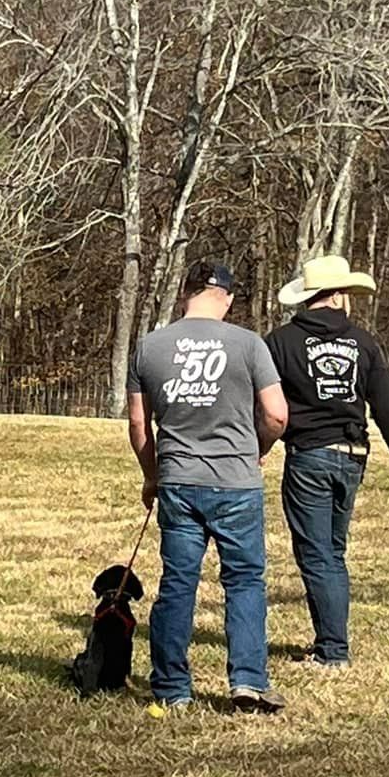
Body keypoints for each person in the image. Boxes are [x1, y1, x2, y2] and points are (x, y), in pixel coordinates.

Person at [126, 257, 289, 714]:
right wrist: (257, 448)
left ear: (186, 293)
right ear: (229, 297)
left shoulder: (150, 347)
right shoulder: (249, 344)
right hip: (236, 482)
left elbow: (140, 424)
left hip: (178, 480)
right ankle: (248, 681)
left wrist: (152, 475)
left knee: (179, 583)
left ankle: (173, 688)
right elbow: (277, 414)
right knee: (244, 581)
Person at [266, 254, 389, 673]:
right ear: (337, 296)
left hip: (309, 457)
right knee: (333, 552)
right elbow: (388, 406)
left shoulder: (280, 342)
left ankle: (332, 650)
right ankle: (331, 642)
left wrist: (256, 445)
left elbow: (264, 403)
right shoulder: (364, 342)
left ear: (308, 297)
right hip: (353, 456)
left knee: (318, 555)